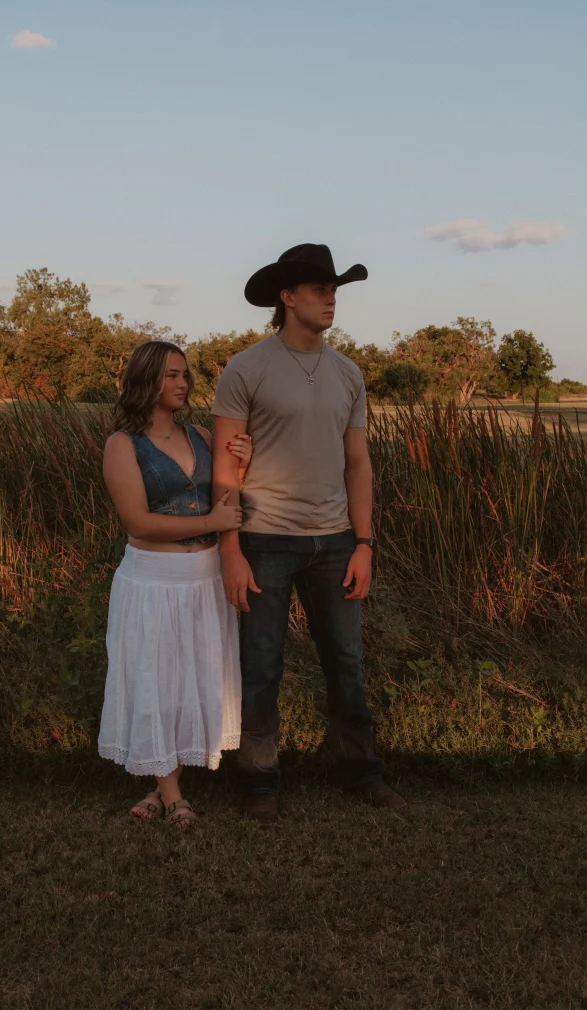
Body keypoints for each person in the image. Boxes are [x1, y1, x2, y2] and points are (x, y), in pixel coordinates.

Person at [211, 243, 406, 824]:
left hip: (336, 541)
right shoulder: (246, 368)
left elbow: (358, 463)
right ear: (287, 296)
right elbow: (225, 466)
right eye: (321, 290)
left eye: (335, 291)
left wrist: (365, 544)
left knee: (345, 661)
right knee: (262, 663)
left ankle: (361, 773)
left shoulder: (349, 373)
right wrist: (230, 548)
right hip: (264, 538)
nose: (331, 300)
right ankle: (259, 782)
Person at [98, 340, 252, 829]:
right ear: (146, 381)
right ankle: (174, 796)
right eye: (171, 375)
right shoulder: (122, 445)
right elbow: (139, 522)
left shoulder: (202, 435)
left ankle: (160, 787)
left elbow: (227, 499)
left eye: (185, 375)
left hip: (203, 578)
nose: (182, 384)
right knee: (155, 683)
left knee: (191, 684)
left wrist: (240, 468)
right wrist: (211, 517)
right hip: (151, 581)